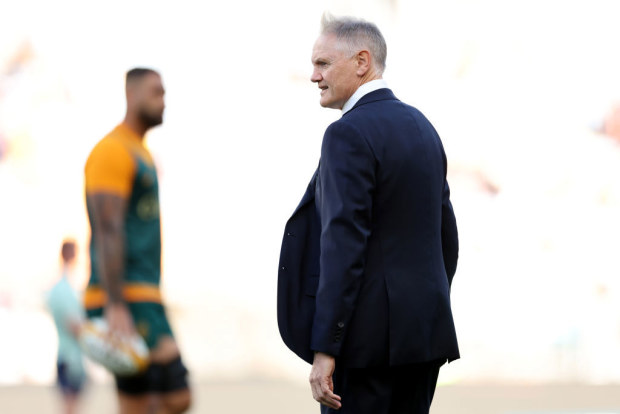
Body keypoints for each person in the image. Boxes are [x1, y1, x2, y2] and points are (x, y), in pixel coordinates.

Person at [277, 15, 460, 414]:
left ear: (362, 62)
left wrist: (327, 346)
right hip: (423, 340)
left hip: (365, 350)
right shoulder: (423, 128)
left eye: (323, 63)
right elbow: (446, 235)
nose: (313, 76)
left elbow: (343, 246)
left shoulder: (347, 133)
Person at [83, 68, 191, 414]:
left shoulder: (141, 152)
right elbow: (108, 229)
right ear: (132, 95)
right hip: (125, 297)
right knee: (171, 397)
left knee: (149, 403)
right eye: (156, 92)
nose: (163, 100)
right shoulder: (112, 150)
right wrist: (115, 304)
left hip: (144, 294)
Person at [47, 239, 87, 414]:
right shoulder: (63, 289)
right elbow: (74, 326)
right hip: (70, 359)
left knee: (70, 408)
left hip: (70, 357)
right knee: (70, 409)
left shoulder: (66, 287)